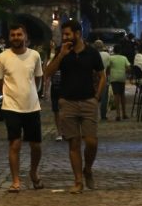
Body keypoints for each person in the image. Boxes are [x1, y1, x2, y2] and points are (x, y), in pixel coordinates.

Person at [43, 21, 105, 193]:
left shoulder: (91, 53)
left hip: (88, 101)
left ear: (78, 34)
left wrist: (97, 97)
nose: (65, 38)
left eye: (68, 34)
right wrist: (61, 55)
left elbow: (102, 76)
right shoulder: (63, 53)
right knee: (74, 143)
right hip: (68, 102)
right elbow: (48, 73)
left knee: (91, 142)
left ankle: (88, 169)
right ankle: (78, 181)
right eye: (63, 35)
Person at [0, 23, 45, 192]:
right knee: (14, 144)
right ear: (10, 38)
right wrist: (10, 95)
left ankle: (33, 172)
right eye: (13, 35)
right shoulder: (3, 57)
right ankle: (16, 180)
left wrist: (32, 93)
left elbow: (38, 79)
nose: (16, 38)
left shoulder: (35, 56)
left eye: (19, 34)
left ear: (25, 36)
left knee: (36, 145)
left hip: (32, 106)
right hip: (11, 107)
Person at [107, 49, 130, 121]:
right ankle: (124, 114)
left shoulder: (111, 58)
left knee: (116, 95)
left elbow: (107, 67)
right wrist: (124, 71)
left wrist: (108, 73)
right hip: (122, 77)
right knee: (122, 95)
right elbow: (129, 67)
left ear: (114, 51)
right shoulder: (124, 58)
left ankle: (118, 114)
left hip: (114, 78)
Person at [93, 40, 112, 120]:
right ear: (102, 46)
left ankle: (92, 114)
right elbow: (109, 68)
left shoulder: (92, 54)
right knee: (104, 97)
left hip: (93, 78)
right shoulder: (107, 55)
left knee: (93, 97)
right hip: (103, 77)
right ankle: (103, 115)